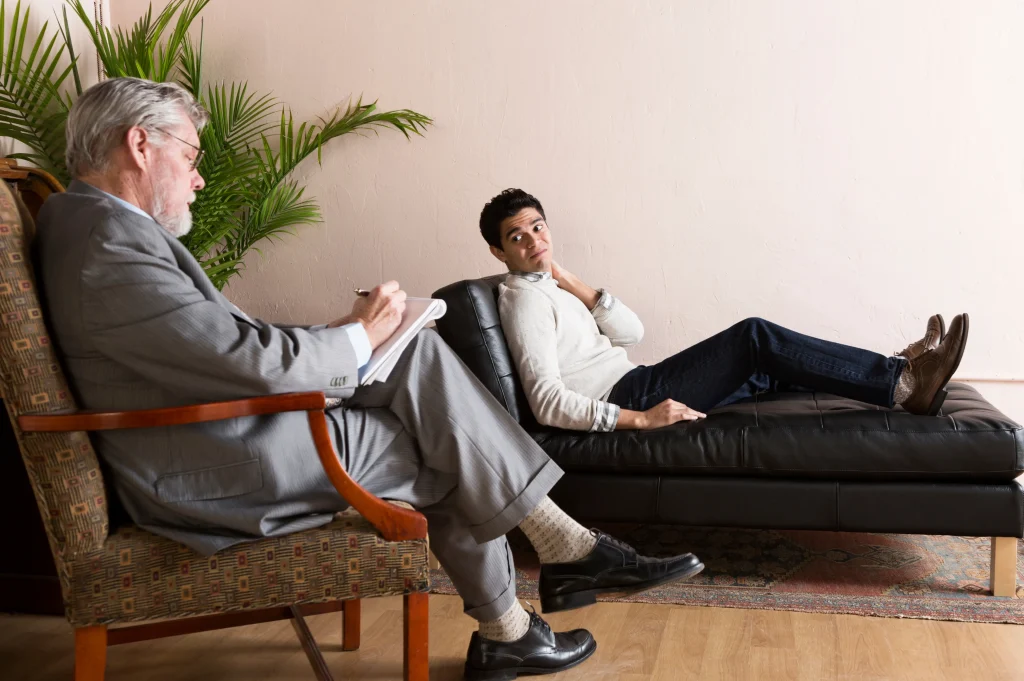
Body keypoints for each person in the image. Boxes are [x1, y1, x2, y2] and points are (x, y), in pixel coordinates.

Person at [35, 78, 704, 680]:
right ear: (140, 144)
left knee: (417, 353)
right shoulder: (108, 245)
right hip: (216, 463)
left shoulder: (95, 226)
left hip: (219, 427)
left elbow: (217, 349)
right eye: (191, 156)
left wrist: (354, 333)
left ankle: (543, 583)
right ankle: (533, 593)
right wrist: (355, 336)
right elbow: (245, 358)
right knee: (446, 450)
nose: (200, 178)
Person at [479, 188, 968, 433]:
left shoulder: (550, 286)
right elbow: (545, 403)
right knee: (754, 338)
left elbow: (630, 332)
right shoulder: (523, 301)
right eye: (517, 236)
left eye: (538, 228)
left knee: (774, 367)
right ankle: (903, 380)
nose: (533, 240)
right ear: (499, 252)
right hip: (627, 395)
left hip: (636, 374)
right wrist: (639, 419)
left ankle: (898, 379)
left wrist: (567, 279)